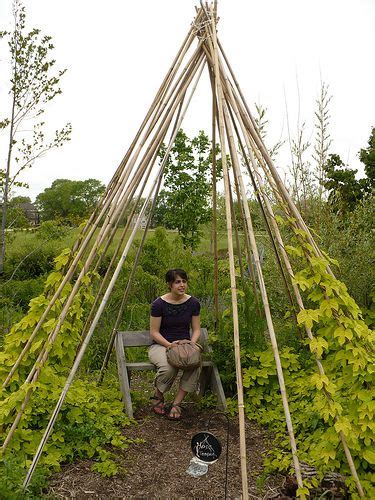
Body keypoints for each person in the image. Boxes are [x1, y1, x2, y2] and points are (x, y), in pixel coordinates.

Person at [149, 268, 201, 420]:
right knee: (168, 367)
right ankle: (158, 395)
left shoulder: (193, 303)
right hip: (161, 345)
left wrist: (191, 344)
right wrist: (169, 345)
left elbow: (196, 329)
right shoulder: (158, 304)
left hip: (184, 345)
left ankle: (177, 403)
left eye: (184, 281)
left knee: (195, 363)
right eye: (177, 282)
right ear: (169, 285)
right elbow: (154, 332)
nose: (182, 285)